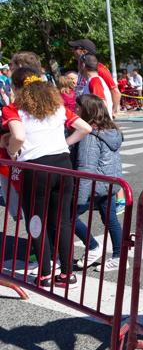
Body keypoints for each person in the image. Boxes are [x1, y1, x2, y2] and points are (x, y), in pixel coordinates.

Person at [0, 67, 92, 287]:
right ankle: (67, 274)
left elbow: (19, 135)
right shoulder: (57, 107)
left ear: (16, 87)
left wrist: (13, 152)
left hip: (36, 168)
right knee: (62, 220)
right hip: (63, 165)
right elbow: (85, 127)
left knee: (36, 220)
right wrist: (65, 145)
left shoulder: (14, 109)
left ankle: (45, 271)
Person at [73, 94, 125, 273]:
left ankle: (93, 247)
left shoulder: (90, 135)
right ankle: (119, 256)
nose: (75, 110)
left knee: (68, 216)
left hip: (97, 184)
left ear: (87, 110)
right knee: (110, 219)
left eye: (78, 107)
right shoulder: (111, 130)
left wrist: (79, 199)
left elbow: (86, 168)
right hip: (110, 182)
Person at [69, 39, 120, 115]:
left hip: (96, 117)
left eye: (75, 48)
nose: (73, 51)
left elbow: (115, 91)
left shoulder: (99, 69)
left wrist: (113, 111)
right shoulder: (83, 69)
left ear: (84, 51)